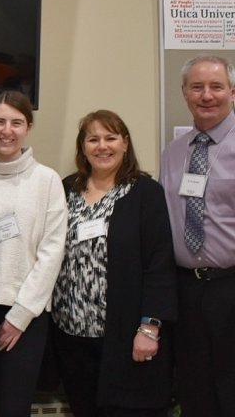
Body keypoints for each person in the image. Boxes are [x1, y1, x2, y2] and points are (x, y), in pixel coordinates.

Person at [52, 110, 176, 417]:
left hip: (124, 336)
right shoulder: (66, 190)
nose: (102, 146)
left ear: (125, 143)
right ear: (83, 147)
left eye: (110, 138)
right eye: (93, 139)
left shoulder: (146, 193)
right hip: (71, 335)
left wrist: (149, 328)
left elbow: (159, 264)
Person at [0, 91, 67, 417]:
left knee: (11, 407)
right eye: (0, 121)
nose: (7, 130)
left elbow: (52, 251)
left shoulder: (46, 180)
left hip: (26, 315)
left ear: (28, 127)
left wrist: (20, 316)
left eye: (16, 122)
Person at [159, 55, 235, 417]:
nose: (207, 95)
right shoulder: (173, 153)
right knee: (195, 388)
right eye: (197, 87)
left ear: (232, 92)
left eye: (216, 87)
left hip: (230, 286)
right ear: (184, 93)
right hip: (186, 290)